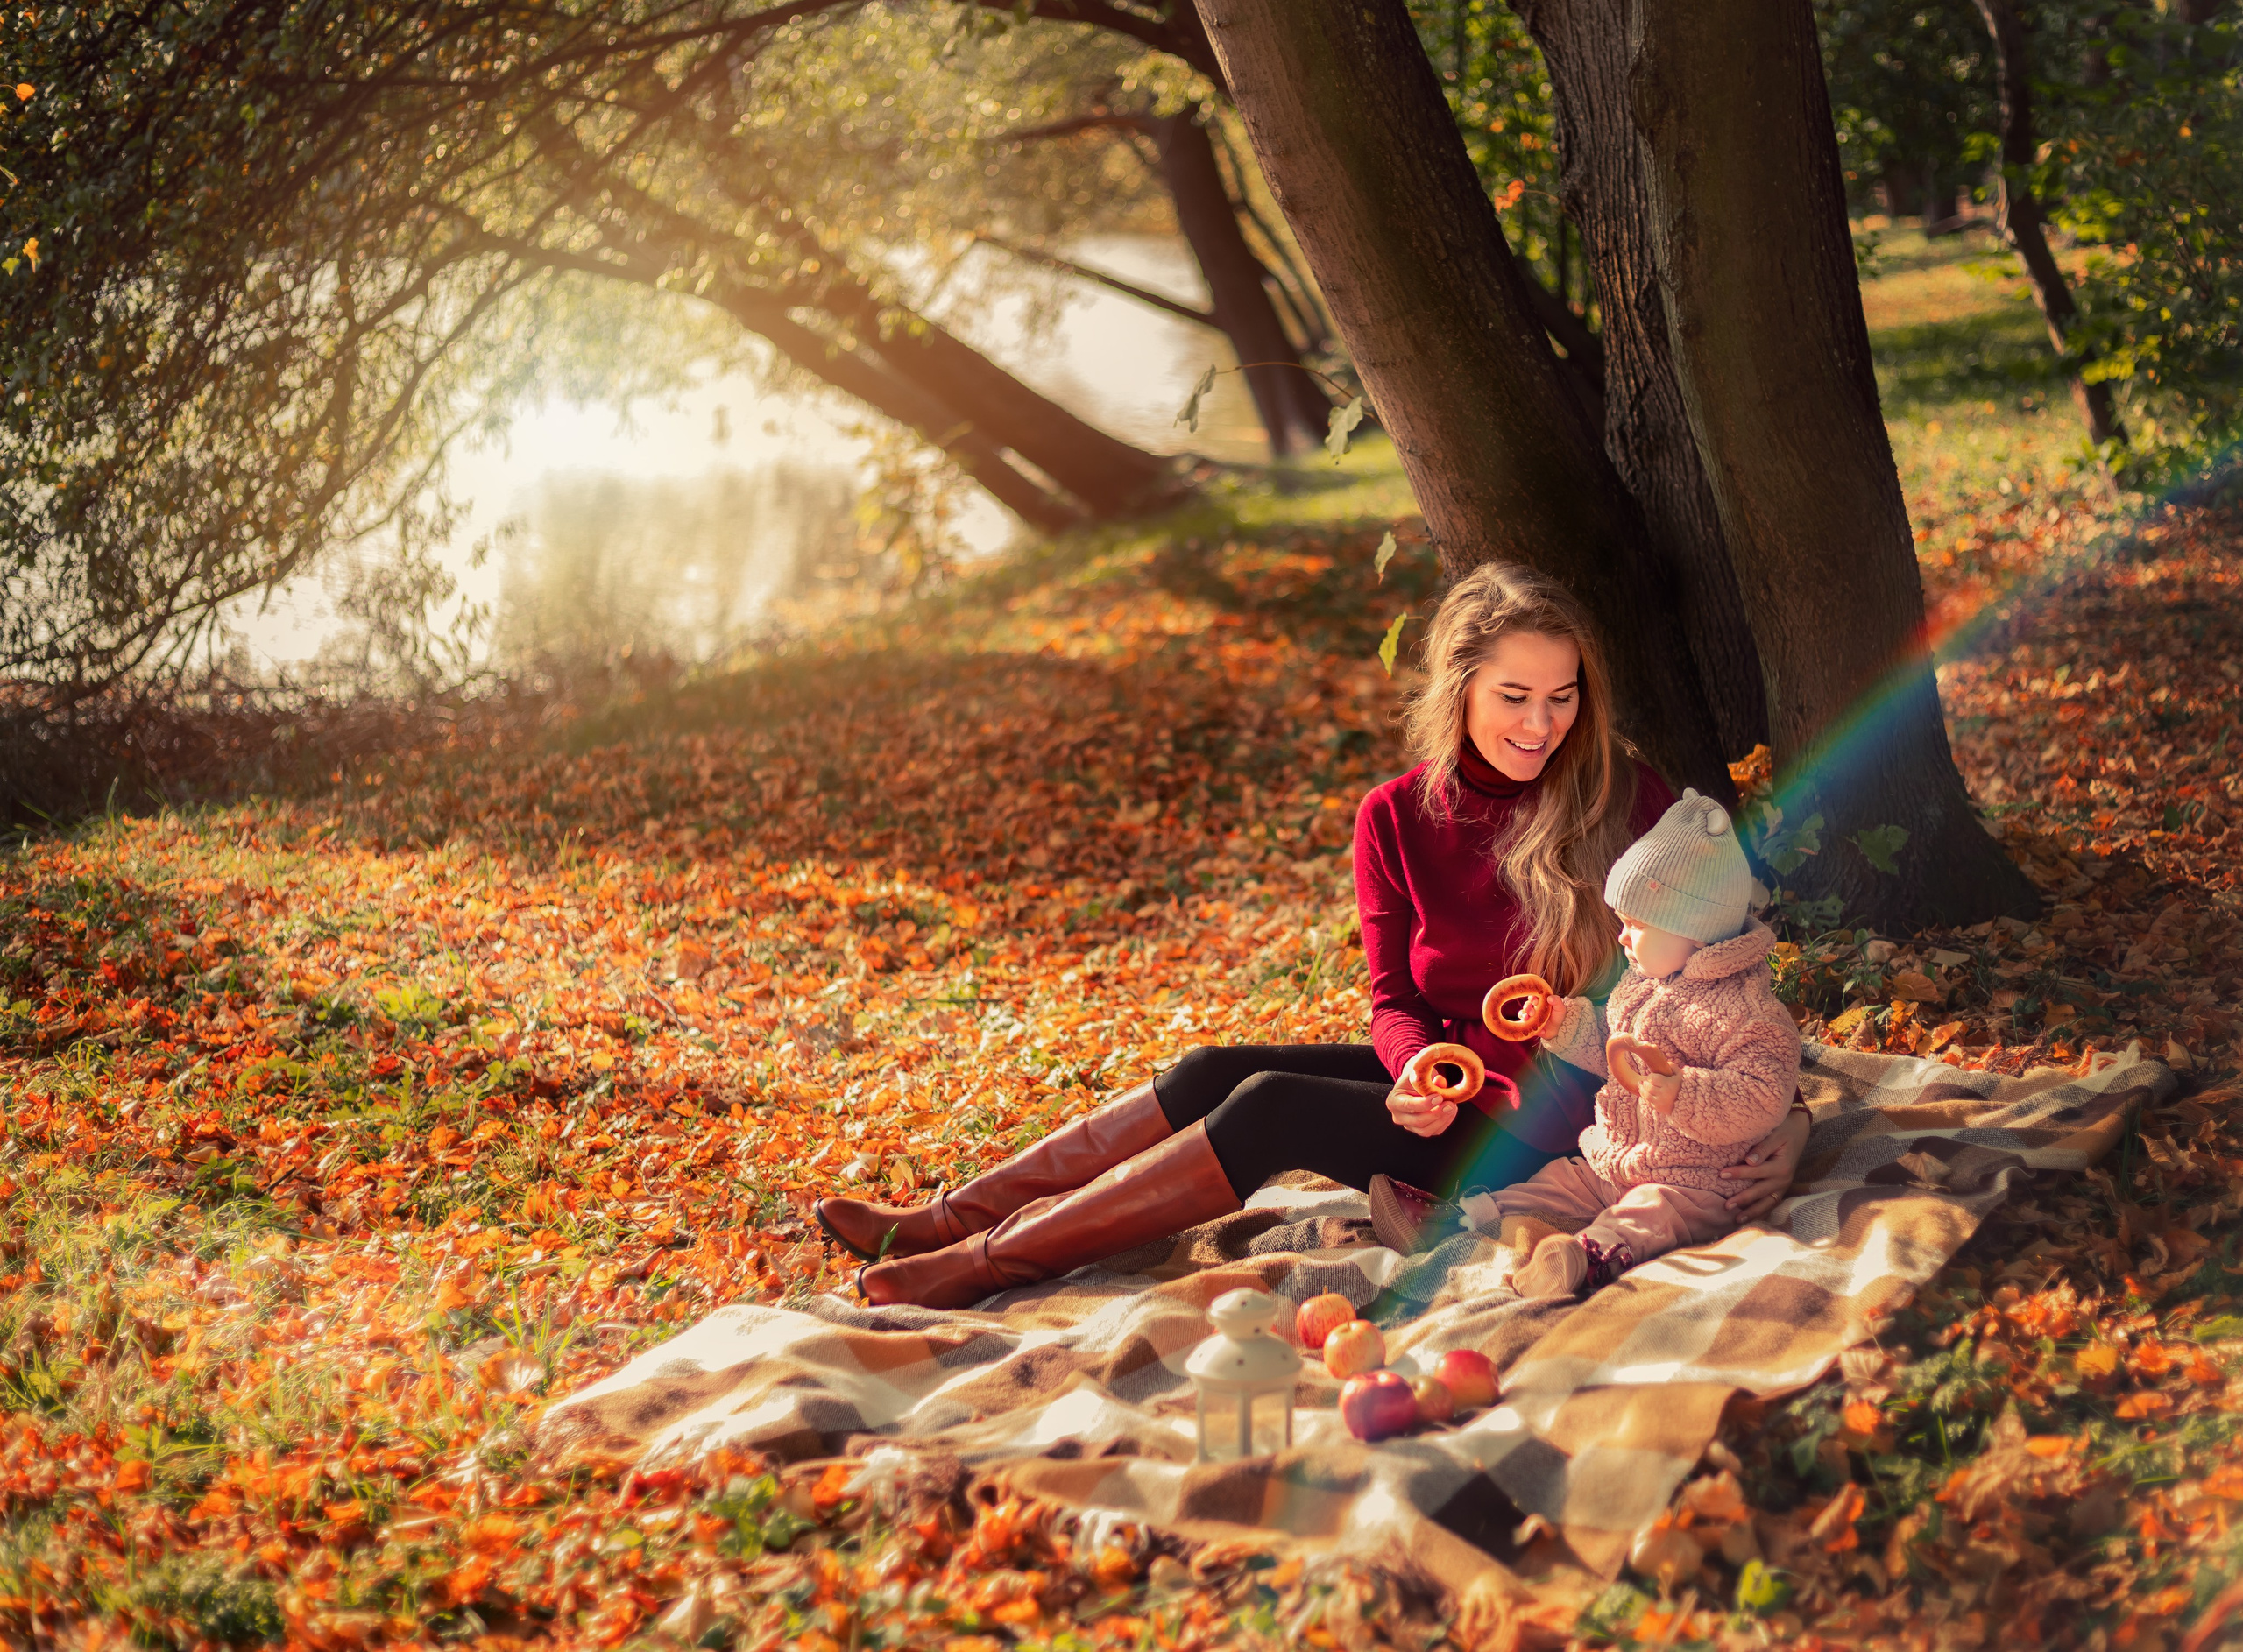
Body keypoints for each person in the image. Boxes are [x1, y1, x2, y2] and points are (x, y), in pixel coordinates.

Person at [815, 561, 1810, 1310]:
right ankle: (944, 1217)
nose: (1541, 723)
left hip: (1574, 1123)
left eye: (1562, 696)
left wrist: (1791, 1120)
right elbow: (1393, 997)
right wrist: (1414, 1067)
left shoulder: (1622, 797)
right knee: (1212, 1067)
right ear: (1459, 687)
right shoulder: (1393, 816)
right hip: (1457, 1087)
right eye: (1514, 696)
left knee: (1270, 1108)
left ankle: (977, 1266)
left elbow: (1723, 987)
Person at [1468, 789, 1804, 1299]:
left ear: (1696, 933)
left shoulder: (1748, 1014)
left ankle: (1585, 1257)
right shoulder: (1643, 983)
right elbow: (1613, 1045)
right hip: (1616, 1157)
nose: (1623, 938)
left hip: (1696, 1181)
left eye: (1637, 925)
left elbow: (1762, 1094)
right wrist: (1570, 1027)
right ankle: (1469, 1216)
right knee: (1559, 1180)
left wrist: (1682, 1094)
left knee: (1647, 1216)